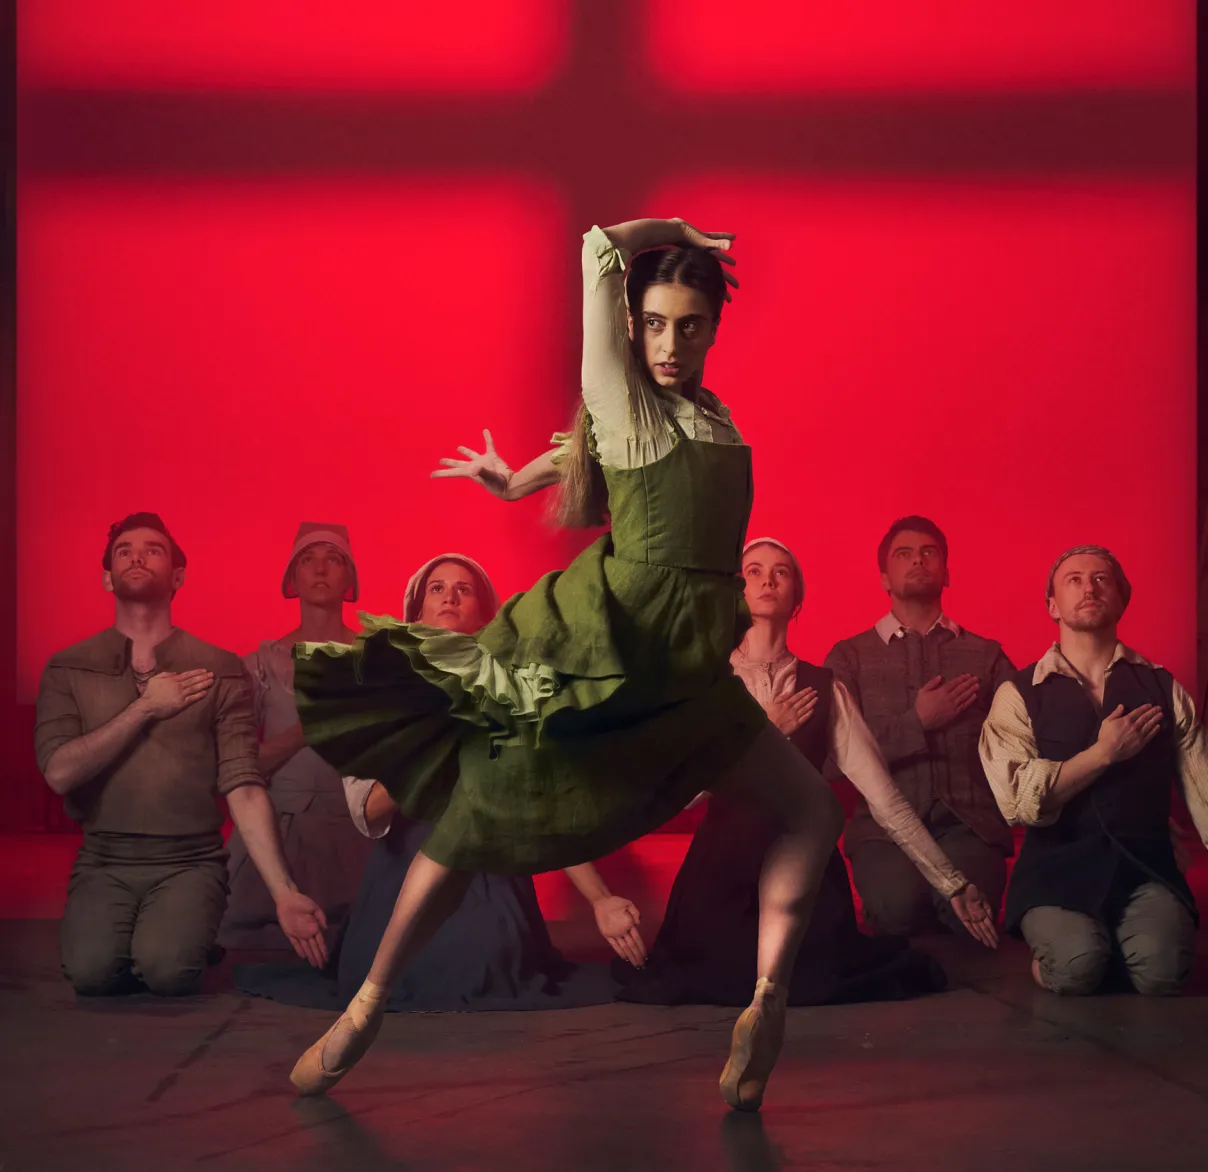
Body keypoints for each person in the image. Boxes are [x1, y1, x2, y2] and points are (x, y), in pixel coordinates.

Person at [288, 218, 844, 1112]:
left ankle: (765, 1003)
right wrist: (677, 230)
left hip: (689, 660)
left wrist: (520, 480)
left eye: (690, 325)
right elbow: (597, 247)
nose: (670, 343)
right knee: (471, 821)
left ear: (713, 328)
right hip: (612, 646)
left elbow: (597, 456)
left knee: (812, 812)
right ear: (631, 324)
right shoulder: (621, 394)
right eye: (654, 324)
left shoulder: (715, 416)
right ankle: (366, 1005)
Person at [235, 552, 639, 1011]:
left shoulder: (513, 691)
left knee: (489, 967)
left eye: (464, 590)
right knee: (394, 973)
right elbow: (366, 809)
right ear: (416, 613)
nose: (450, 596)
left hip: (489, 868)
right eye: (437, 588)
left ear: (486, 615)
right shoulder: (376, 691)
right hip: (403, 869)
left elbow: (541, 800)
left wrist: (601, 899)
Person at [619, 536, 997, 1007]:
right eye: (753, 571)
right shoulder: (706, 684)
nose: (767, 580)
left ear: (797, 596)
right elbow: (678, 794)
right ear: (734, 593)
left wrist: (951, 882)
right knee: (716, 979)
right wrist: (762, 733)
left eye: (781, 571)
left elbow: (885, 798)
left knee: (811, 979)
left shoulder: (824, 688)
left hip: (807, 867)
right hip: (721, 870)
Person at [34, 513, 327, 996]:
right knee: (90, 974)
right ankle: (157, 933)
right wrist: (146, 707)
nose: (136, 556)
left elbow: (243, 783)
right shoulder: (69, 666)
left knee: (168, 972)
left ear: (178, 576)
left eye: (153, 549)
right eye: (124, 551)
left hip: (189, 859)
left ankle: (182, 930)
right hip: (104, 859)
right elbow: (60, 773)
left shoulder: (217, 668)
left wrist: (284, 893)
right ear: (107, 576)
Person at [979, 545, 1208, 996]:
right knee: (1076, 969)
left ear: (1122, 599)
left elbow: (1204, 789)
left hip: (1146, 867)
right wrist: (1104, 753)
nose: (1089, 587)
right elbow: (1017, 801)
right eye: (1074, 579)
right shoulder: (1019, 692)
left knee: (1163, 976)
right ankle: (1075, 953)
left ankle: (1125, 947)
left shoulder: (1163, 687)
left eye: (1101, 579)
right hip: (1055, 872)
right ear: (1052, 606)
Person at [824, 516, 1015, 939]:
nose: (918, 560)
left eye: (929, 552)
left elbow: (1020, 745)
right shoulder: (848, 657)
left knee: (965, 923)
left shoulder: (987, 656)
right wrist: (919, 723)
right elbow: (829, 759)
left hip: (970, 826)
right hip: (882, 833)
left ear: (947, 573)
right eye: (903, 554)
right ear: (883, 578)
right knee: (897, 914)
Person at [220, 523, 374, 951]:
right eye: (308, 559)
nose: (321, 568)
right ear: (292, 579)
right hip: (282, 835)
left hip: (357, 834)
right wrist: (308, 729)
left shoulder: (375, 661)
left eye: (334, 559)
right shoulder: (259, 666)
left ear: (351, 581)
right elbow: (243, 767)